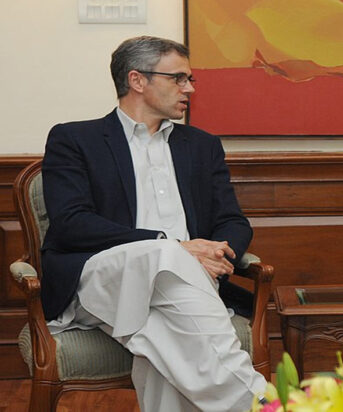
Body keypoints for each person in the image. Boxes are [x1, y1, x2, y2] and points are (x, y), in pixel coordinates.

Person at [41, 36, 266, 411]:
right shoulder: (75, 139)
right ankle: (261, 402)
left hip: (186, 283)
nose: (189, 88)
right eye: (178, 78)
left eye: (190, 79)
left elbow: (232, 221)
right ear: (138, 80)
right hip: (102, 279)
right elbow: (70, 223)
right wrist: (173, 246)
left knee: (162, 340)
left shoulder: (201, 145)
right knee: (165, 254)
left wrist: (215, 254)